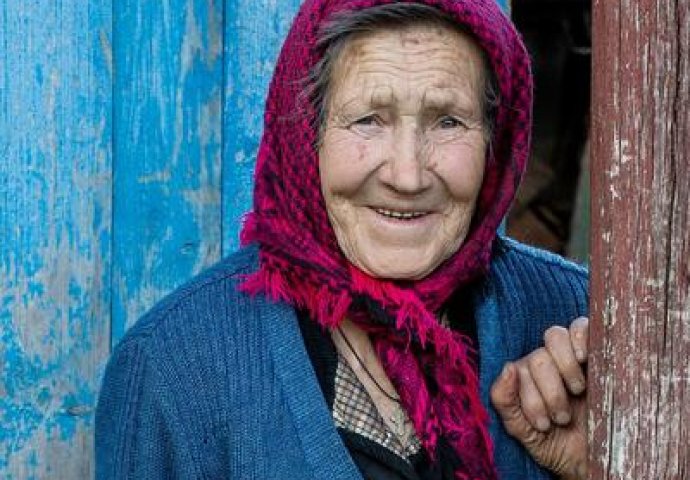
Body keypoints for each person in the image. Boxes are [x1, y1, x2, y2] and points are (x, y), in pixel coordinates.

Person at [96, 1, 589, 479]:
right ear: (307, 135)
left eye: (448, 121)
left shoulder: (575, 320)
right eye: (368, 120)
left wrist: (602, 467)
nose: (408, 174)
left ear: (494, 144)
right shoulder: (173, 365)